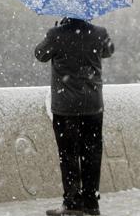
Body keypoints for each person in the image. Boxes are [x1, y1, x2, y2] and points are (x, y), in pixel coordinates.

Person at [35, 17, 114, 216]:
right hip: (93, 105)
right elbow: (109, 50)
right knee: (92, 155)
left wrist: (54, 32)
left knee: (68, 155)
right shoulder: (99, 32)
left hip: (65, 107)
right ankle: (91, 204)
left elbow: (40, 54)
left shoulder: (56, 35)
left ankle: (72, 202)